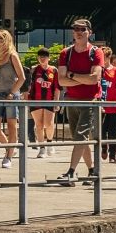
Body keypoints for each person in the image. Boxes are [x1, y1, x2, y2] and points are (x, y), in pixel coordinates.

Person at [49, 18, 104, 188]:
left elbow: (95, 79)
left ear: (90, 32)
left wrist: (72, 76)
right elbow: (62, 81)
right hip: (71, 99)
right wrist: (83, 79)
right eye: (75, 29)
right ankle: (93, 171)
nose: (78, 32)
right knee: (79, 138)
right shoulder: (66, 53)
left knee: (80, 136)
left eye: (82, 29)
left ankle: (71, 172)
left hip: (90, 101)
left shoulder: (96, 52)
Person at [0, 29, 25, 169]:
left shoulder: (12, 56)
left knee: (11, 126)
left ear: (6, 40)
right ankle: (10, 149)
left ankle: (8, 156)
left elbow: (22, 78)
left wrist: (12, 92)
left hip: (11, 94)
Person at [26, 47, 60, 157]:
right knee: (38, 124)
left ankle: (50, 143)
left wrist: (56, 102)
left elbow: (57, 88)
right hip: (35, 101)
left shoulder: (54, 70)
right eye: (40, 57)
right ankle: (42, 148)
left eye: (44, 57)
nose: (42, 59)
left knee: (49, 124)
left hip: (49, 101)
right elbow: (28, 86)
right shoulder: (34, 70)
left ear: (48, 58)